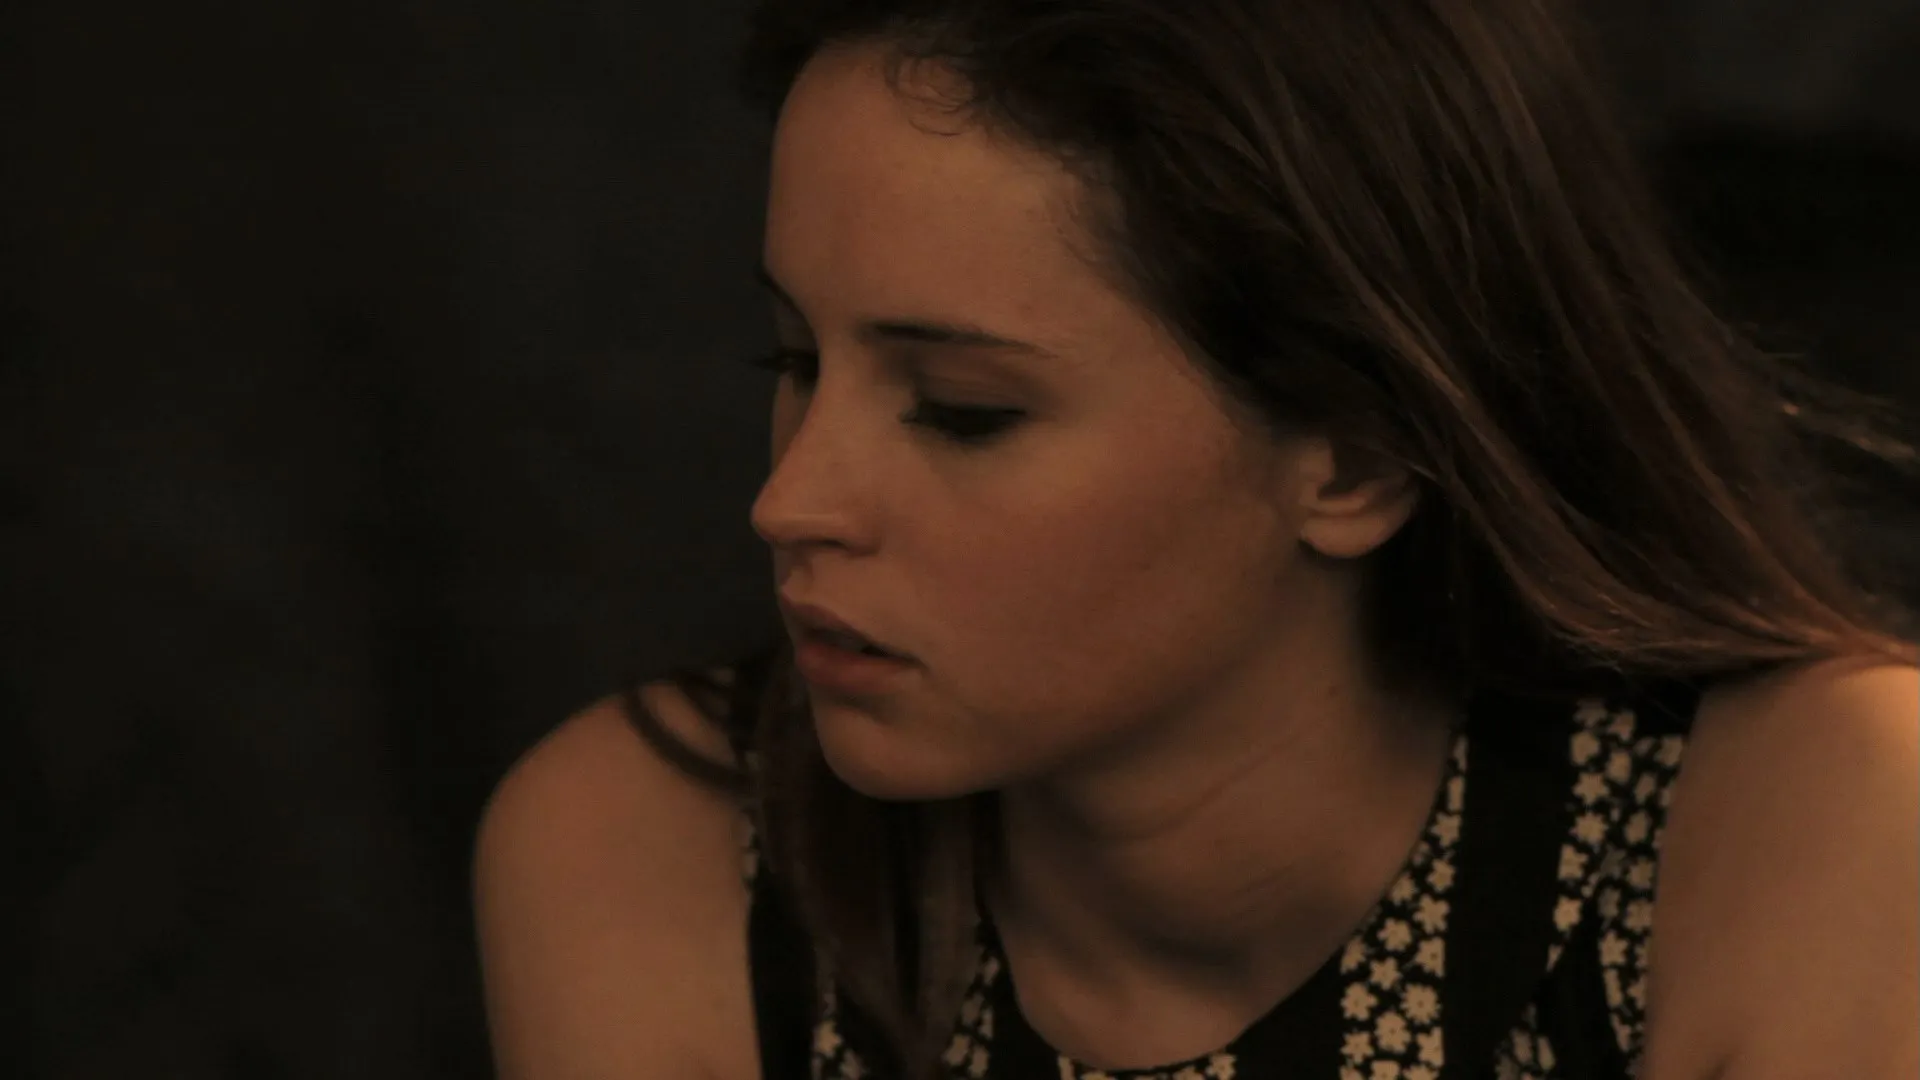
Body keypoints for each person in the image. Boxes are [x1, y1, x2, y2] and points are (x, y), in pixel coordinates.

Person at [472, 1, 1920, 1077]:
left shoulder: (1806, 830)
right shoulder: (663, 855)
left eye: (963, 411)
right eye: (794, 362)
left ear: (1354, 457)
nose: (791, 500)